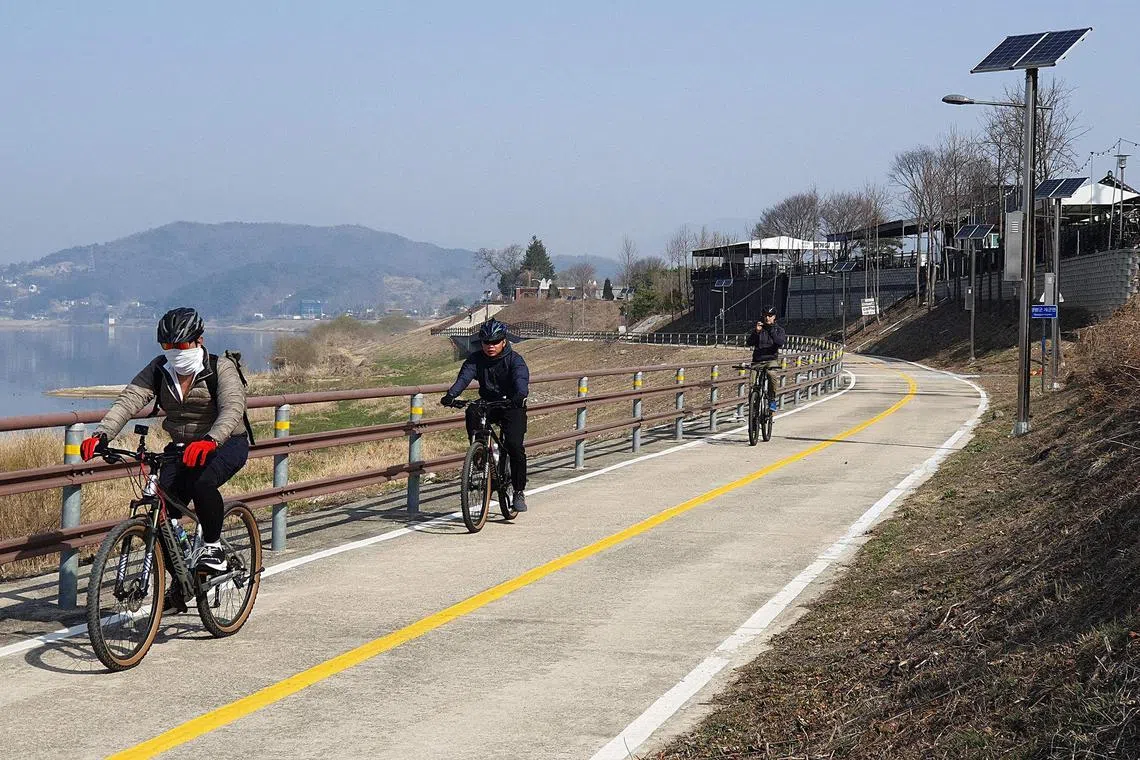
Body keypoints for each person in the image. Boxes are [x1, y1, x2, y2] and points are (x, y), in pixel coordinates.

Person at [80, 307, 250, 580]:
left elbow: (232, 408)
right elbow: (129, 400)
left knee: (202, 483)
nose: (175, 351)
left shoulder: (221, 368)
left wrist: (210, 440)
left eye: (181, 344)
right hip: (183, 446)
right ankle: (179, 585)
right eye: (168, 345)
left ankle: (213, 548)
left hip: (227, 442)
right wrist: (101, 435)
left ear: (199, 341)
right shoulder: (159, 369)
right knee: (163, 518)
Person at [440, 318, 531, 511]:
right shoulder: (475, 359)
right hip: (488, 403)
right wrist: (451, 395)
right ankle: (479, 454)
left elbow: (521, 381)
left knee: (514, 446)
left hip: (511, 404)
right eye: (486, 342)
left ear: (504, 341)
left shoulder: (515, 360)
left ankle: (518, 491)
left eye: (495, 342)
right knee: (472, 411)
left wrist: (519, 396)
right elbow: (464, 378)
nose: (490, 346)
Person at [745, 306, 786, 412]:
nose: (767, 318)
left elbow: (780, 342)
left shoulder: (778, 330)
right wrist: (756, 332)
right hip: (757, 360)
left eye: (770, 316)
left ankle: (772, 399)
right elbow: (749, 343)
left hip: (771, 360)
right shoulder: (759, 329)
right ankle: (753, 406)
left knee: (772, 375)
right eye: (765, 316)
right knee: (752, 383)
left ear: (774, 317)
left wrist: (771, 331)